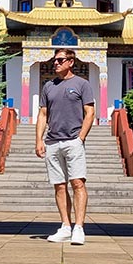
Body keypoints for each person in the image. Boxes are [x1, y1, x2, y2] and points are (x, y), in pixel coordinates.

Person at [35, 48, 95, 245]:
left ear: (71, 61)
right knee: (59, 186)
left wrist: (80, 138)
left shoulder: (82, 84)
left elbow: (90, 112)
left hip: (73, 141)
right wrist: (39, 140)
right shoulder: (48, 86)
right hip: (52, 142)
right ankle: (65, 226)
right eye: (55, 60)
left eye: (60, 60)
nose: (56, 63)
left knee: (78, 183)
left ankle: (79, 227)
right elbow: (43, 114)